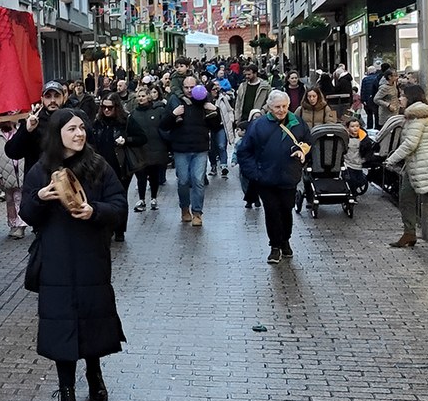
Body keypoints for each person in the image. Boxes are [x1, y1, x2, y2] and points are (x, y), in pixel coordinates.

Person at [19, 108, 126, 401]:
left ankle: (94, 371)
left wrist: (95, 211)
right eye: (72, 129)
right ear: (57, 133)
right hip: (57, 263)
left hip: (92, 259)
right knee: (61, 330)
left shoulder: (98, 165)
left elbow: (119, 207)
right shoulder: (41, 170)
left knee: (92, 323)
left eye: (82, 128)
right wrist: (40, 198)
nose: (80, 134)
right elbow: (27, 215)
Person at [235, 90, 312, 264]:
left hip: (289, 176)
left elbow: (308, 142)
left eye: (284, 106)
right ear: (270, 107)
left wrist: (303, 153)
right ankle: (275, 246)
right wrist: (255, 173)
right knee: (272, 211)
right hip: (266, 178)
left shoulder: (297, 122)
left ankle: (286, 239)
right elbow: (244, 151)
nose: (281, 110)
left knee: (286, 209)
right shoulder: (258, 125)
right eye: (277, 107)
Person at [384, 85, 428, 247]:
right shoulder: (415, 115)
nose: (400, 99)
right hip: (417, 166)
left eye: (402, 96)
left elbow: (410, 144)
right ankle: (409, 234)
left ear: (411, 97)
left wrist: (391, 159)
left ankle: (409, 233)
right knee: (406, 198)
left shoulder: (418, 116)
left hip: (426, 167)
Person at [160, 76, 222, 226]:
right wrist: (173, 114)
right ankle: (184, 208)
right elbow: (163, 125)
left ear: (197, 87)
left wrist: (215, 111)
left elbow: (215, 126)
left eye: (192, 87)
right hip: (181, 148)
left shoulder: (204, 102)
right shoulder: (175, 101)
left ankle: (197, 212)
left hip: (200, 148)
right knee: (183, 181)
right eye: (186, 87)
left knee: (198, 181)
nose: (189, 90)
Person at [91, 93, 142, 241]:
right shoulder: (97, 122)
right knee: (102, 198)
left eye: (110, 107)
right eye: (104, 107)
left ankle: (119, 229)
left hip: (120, 167)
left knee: (119, 198)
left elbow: (141, 138)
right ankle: (107, 228)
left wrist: (126, 140)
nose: (106, 110)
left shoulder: (126, 121)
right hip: (100, 166)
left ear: (116, 107)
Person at [5, 81, 67, 177]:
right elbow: (12, 152)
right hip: (38, 183)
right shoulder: (33, 121)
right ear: (42, 99)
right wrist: (27, 130)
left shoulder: (72, 120)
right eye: (48, 96)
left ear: (64, 98)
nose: (53, 100)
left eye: (57, 96)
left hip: (66, 181)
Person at [129, 88, 168, 212]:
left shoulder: (158, 111)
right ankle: (141, 199)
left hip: (155, 148)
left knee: (153, 175)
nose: (140, 98)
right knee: (141, 175)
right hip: (140, 150)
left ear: (148, 97)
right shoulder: (133, 114)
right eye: (138, 96)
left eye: (143, 96)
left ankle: (153, 197)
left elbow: (164, 128)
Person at [0, 120, 26, 238]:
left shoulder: (20, 133)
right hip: (5, 175)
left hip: (20, 172)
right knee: (10, 202)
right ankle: (13, 224)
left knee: (19, 200)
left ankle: (21, 226)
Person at [343, 118, 374, 193]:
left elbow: (368, 151)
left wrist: (365, 159)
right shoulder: (344, 137)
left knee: (360, 181)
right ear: (348, 128)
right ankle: (352, 194)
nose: (355, 128)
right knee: (351, 180)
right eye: (352, 126)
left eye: (357, 126)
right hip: (348, 163)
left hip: (358, 163)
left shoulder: (364, 138)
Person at [359, 65, 380, 129]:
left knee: (369, 115)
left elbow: (363, 90)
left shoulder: (365, 79)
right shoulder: (377, 78)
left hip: (368, 100)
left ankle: (369, 127)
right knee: (376, 115)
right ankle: (376, 127)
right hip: (376, 98)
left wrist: (363, 100)